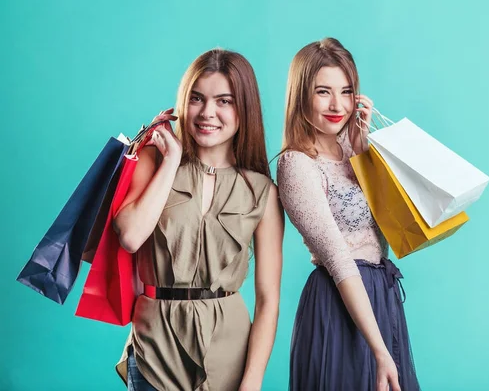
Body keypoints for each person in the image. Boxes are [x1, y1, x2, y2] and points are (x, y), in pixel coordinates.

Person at [113, 48, 284, 391]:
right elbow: (130, 235)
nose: (208, 113)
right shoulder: (154, 159)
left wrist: (252, 381)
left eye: (224, 101)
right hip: (154, 350)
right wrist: (172, 160)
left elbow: (268, 300)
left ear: (244, 109)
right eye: (197, 99)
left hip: (230, 355)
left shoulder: (263, 191)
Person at [277, 37, 420, 391]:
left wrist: (363, 149)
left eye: (346, 91)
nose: (337, 104)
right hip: (338, 303)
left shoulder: (353, 145)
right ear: (300, 96)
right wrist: (379, 350)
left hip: (380, 297)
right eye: (323, 91)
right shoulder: (296, 164)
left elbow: (394, 226)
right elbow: (338, 258)